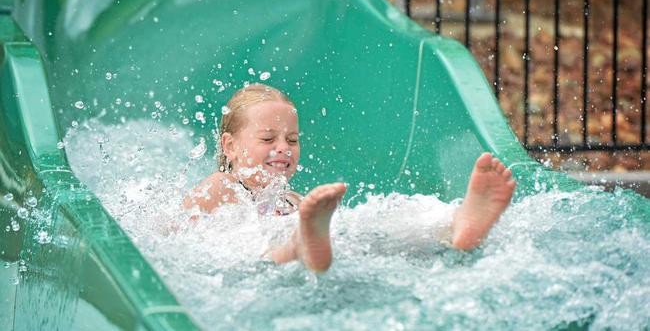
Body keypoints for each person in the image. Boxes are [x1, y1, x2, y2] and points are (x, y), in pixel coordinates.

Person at [183, 84, 516, 272]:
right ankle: (296, 246)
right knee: (265, 247)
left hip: (301, 251)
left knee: (365, 231)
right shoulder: (221, 187)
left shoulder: (290, 200)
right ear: (230, 146)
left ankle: (451, 227)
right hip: (249, 263)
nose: (283, 149)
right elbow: (176, 239)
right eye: (268, 140)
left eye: (293, 140)